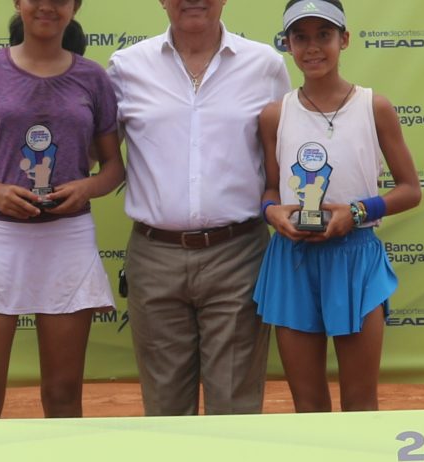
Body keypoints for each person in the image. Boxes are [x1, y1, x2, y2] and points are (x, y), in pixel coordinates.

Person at [0, 0, 125, 419]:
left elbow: (114, 166)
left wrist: (87, 188)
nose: (47, 6)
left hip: (67, 238)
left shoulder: (93, 77)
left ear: (74, 7)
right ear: (18, 3)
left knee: (63, 395)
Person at [107, 0, 291, 416]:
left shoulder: (265, 64)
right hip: (154, 258)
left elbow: (287, 155)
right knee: (165, 410)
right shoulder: (125, 67)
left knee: (236, 408)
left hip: (238, 255)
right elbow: (94, 155)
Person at [254, 0, 421, 413]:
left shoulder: (374, 106)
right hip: (292, 259)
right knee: (308, 405)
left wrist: (357, 212)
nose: (312, 47)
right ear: (287, 44)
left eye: (324, 35)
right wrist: (271, 213)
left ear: (344, 39)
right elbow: (271, 189)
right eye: (300, 37)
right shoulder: (274, 115)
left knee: (360, 403)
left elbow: (410, 189)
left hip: (356, 258)